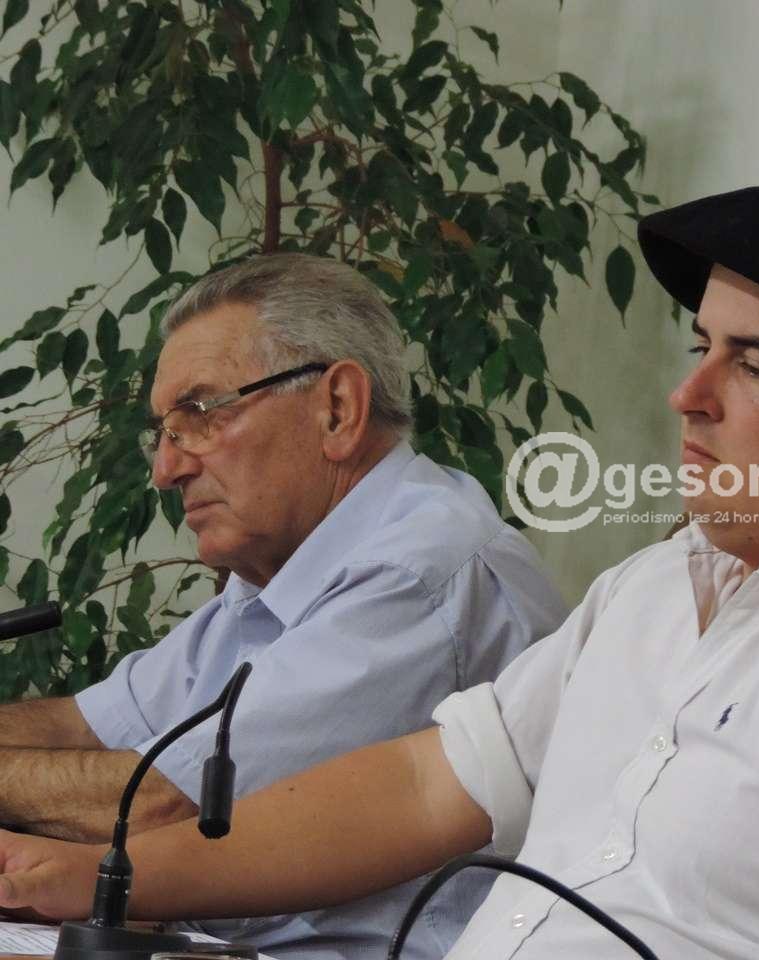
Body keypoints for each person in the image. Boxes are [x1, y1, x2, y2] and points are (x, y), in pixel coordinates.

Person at [0, 175, 759, 960]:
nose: (689, 396)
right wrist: (89, 881)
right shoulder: (656, 590)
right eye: (700, 349)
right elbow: (423, 787)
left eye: (755, 364)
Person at [0, 254, 567, 960]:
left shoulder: (418, 571)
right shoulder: (275, 577)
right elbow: (86, 726)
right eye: (165, 431)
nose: (165, 470)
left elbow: (165, 810)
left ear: (338, 409)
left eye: (199, 414)